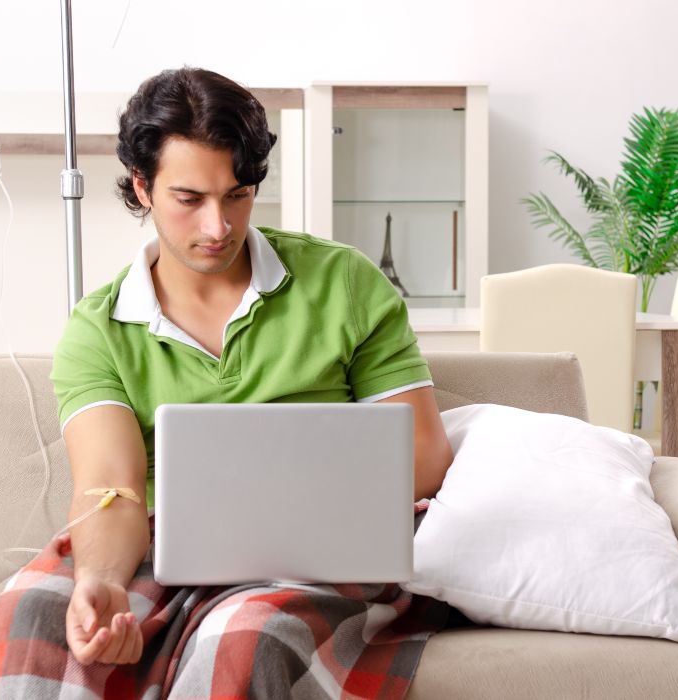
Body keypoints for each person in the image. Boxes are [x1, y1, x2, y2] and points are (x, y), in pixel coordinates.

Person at [50, 66, 454, 692]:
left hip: (325, 557)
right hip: (161, 554)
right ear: (142, 186)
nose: (219, 227)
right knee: (41, 625)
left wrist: (287, 501)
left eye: (237, 195)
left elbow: (424, 455)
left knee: (244, 634)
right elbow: (110, 489)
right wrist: (100, 582)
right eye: (190, 200)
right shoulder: (97, 330)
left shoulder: (343, 283)